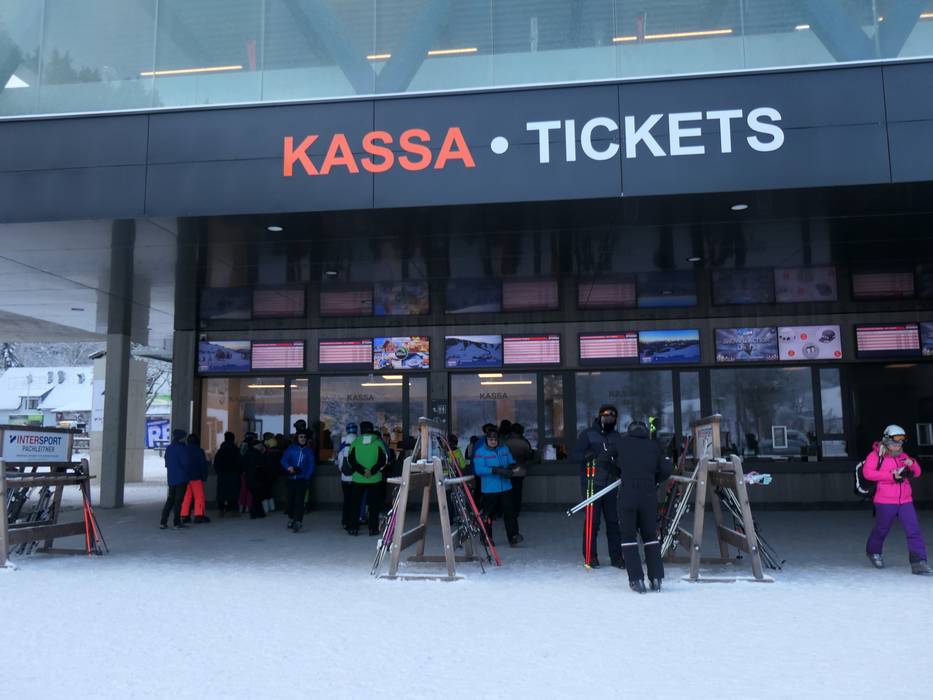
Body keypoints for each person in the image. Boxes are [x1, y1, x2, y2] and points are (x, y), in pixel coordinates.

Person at [864, 424, 931, 575]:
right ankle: (873, 551)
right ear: (886, 440)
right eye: (894, 442)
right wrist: (891, 476)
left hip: (905, 500)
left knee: (913, 530)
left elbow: (918, 473)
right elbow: (868, 473)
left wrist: (912, 463)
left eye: (901, 442)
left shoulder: (903, 456)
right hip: (885, 500)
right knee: (882, 529)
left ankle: (919, 562)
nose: (898, 445)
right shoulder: (876, 456)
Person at [616, 421, 671, 593]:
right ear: (646, 431)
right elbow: (666, 469)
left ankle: (636, 580)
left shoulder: (621, 443)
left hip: (627, 494)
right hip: (648, 495)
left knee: (628, 536)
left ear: (629, 431)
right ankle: (656, 578)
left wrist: (620, 473)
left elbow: (603, 459)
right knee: (650, 536)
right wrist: (654, 479)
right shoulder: (654, 445)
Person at [572, 405, 625, 569]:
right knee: (592, 522)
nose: (609, 419)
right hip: (592, 484)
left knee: (613, 522)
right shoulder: (588, 434)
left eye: (612, 417)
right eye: (606, 416)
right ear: (600, 417)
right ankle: (591, 556)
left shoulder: (617, 436)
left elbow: (623, 457)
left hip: (611, 485)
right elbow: (574, 455)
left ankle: (616, 557)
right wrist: (585, 456)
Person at [473, 428, 522, 546]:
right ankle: (486, 537)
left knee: (510, 512)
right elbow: (479, 470)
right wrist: (495, 470)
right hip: (490, 488)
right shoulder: (480, 452)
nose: (493, 441)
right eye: (490, 439)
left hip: (506, 486)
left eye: (495, 439)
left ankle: (513, 536)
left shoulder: (504, 449)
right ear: (486, 439)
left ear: (498, 439)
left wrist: (512, 467)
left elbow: (510, 461)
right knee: (488, 514)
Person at [346, 421, 389, 535]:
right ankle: (373, 529)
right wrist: (372, 471)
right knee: (374, 505)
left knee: (355, 504)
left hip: (358, 479)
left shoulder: (355, 442)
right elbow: (384, 460)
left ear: (361, 430)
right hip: (375, 479)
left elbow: (350, 460)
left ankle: (353, 528)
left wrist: (362, 471)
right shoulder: (378, 442)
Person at [280, 430, 316, 532]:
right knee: (290, 500)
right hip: (291, 478)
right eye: (301, 437)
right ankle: (291, 518)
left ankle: (298, 521)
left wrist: (307, 477)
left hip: (302, 479)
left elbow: (311, 465)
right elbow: (283, 460)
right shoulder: (291, 449)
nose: (303, 439)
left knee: (299, 501)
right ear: (297, 438)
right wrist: (289, 467)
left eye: (304, 437)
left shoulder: (308, 451)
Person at [160, 428, 191, 529]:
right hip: (181, 478)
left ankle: (163, 522)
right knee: (178, 501)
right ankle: (176, 523)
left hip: (171, 478)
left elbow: (166, 462)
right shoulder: (182, 449)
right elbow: (186, 463)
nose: (185, 439)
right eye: (184, 437)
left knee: (170, 499)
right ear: (181, 438)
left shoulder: (169, 448)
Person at [180, 434, 211, 524]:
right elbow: (202, 465)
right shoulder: (199, 451)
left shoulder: (184, 450)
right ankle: (199, 515)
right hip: (196, 477)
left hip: (186, 478)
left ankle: (184, 515)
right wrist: (204, 476)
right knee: (199, 497)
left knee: (187, 496)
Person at [505, 423, 534, 515]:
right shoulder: (524, 442)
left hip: (508, 471)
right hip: (520, 471)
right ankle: (516, 510)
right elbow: (529, 456)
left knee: (508, 492)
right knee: (517, 491)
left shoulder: (506, 442)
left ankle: (509, 509)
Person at [336, 422, 359, 531]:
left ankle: (345, 521)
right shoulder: (359, 443)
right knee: (355, 502)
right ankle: (353, 522)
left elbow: (340, 464)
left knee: (347, 500)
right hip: (356, 479)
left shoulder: (343, 445)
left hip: (344, 478)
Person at [214, 431, 242, 517]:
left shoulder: (221, 450)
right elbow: (240, 462)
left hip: (222, 474)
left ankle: (221, 510)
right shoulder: (236, 450)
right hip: (234, 474)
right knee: (233, 492)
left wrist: (219, 472)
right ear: (233, 439)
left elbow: (216, 463)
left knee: (221, 492)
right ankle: (232, 510)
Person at [242, 433, 267, 519]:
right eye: (260, 445)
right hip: (257, 478)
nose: (261, 446)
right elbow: (262, 464)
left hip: (250, 478)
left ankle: (259, 512)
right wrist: (263, 453)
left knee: (256, 496)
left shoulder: (247, 453)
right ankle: (255, 513)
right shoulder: (257, 454)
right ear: (256, 446)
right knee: (257, 496)